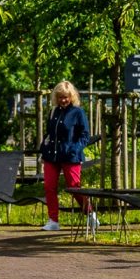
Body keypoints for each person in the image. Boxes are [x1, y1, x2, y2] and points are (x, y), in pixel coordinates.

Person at [39, 80, 96, 231]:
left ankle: (90, 213)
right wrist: (43, 149)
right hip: (52, 156)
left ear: (71, 97)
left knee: (74, 187)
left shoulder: (78, 113)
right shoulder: (53, 112)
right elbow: (49, 133)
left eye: (66, 97)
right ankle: (53, 220)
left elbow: (85, 136)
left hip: (70, 156)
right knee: (49, 187)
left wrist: (75, 149)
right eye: (60, 97)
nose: (63, 100)